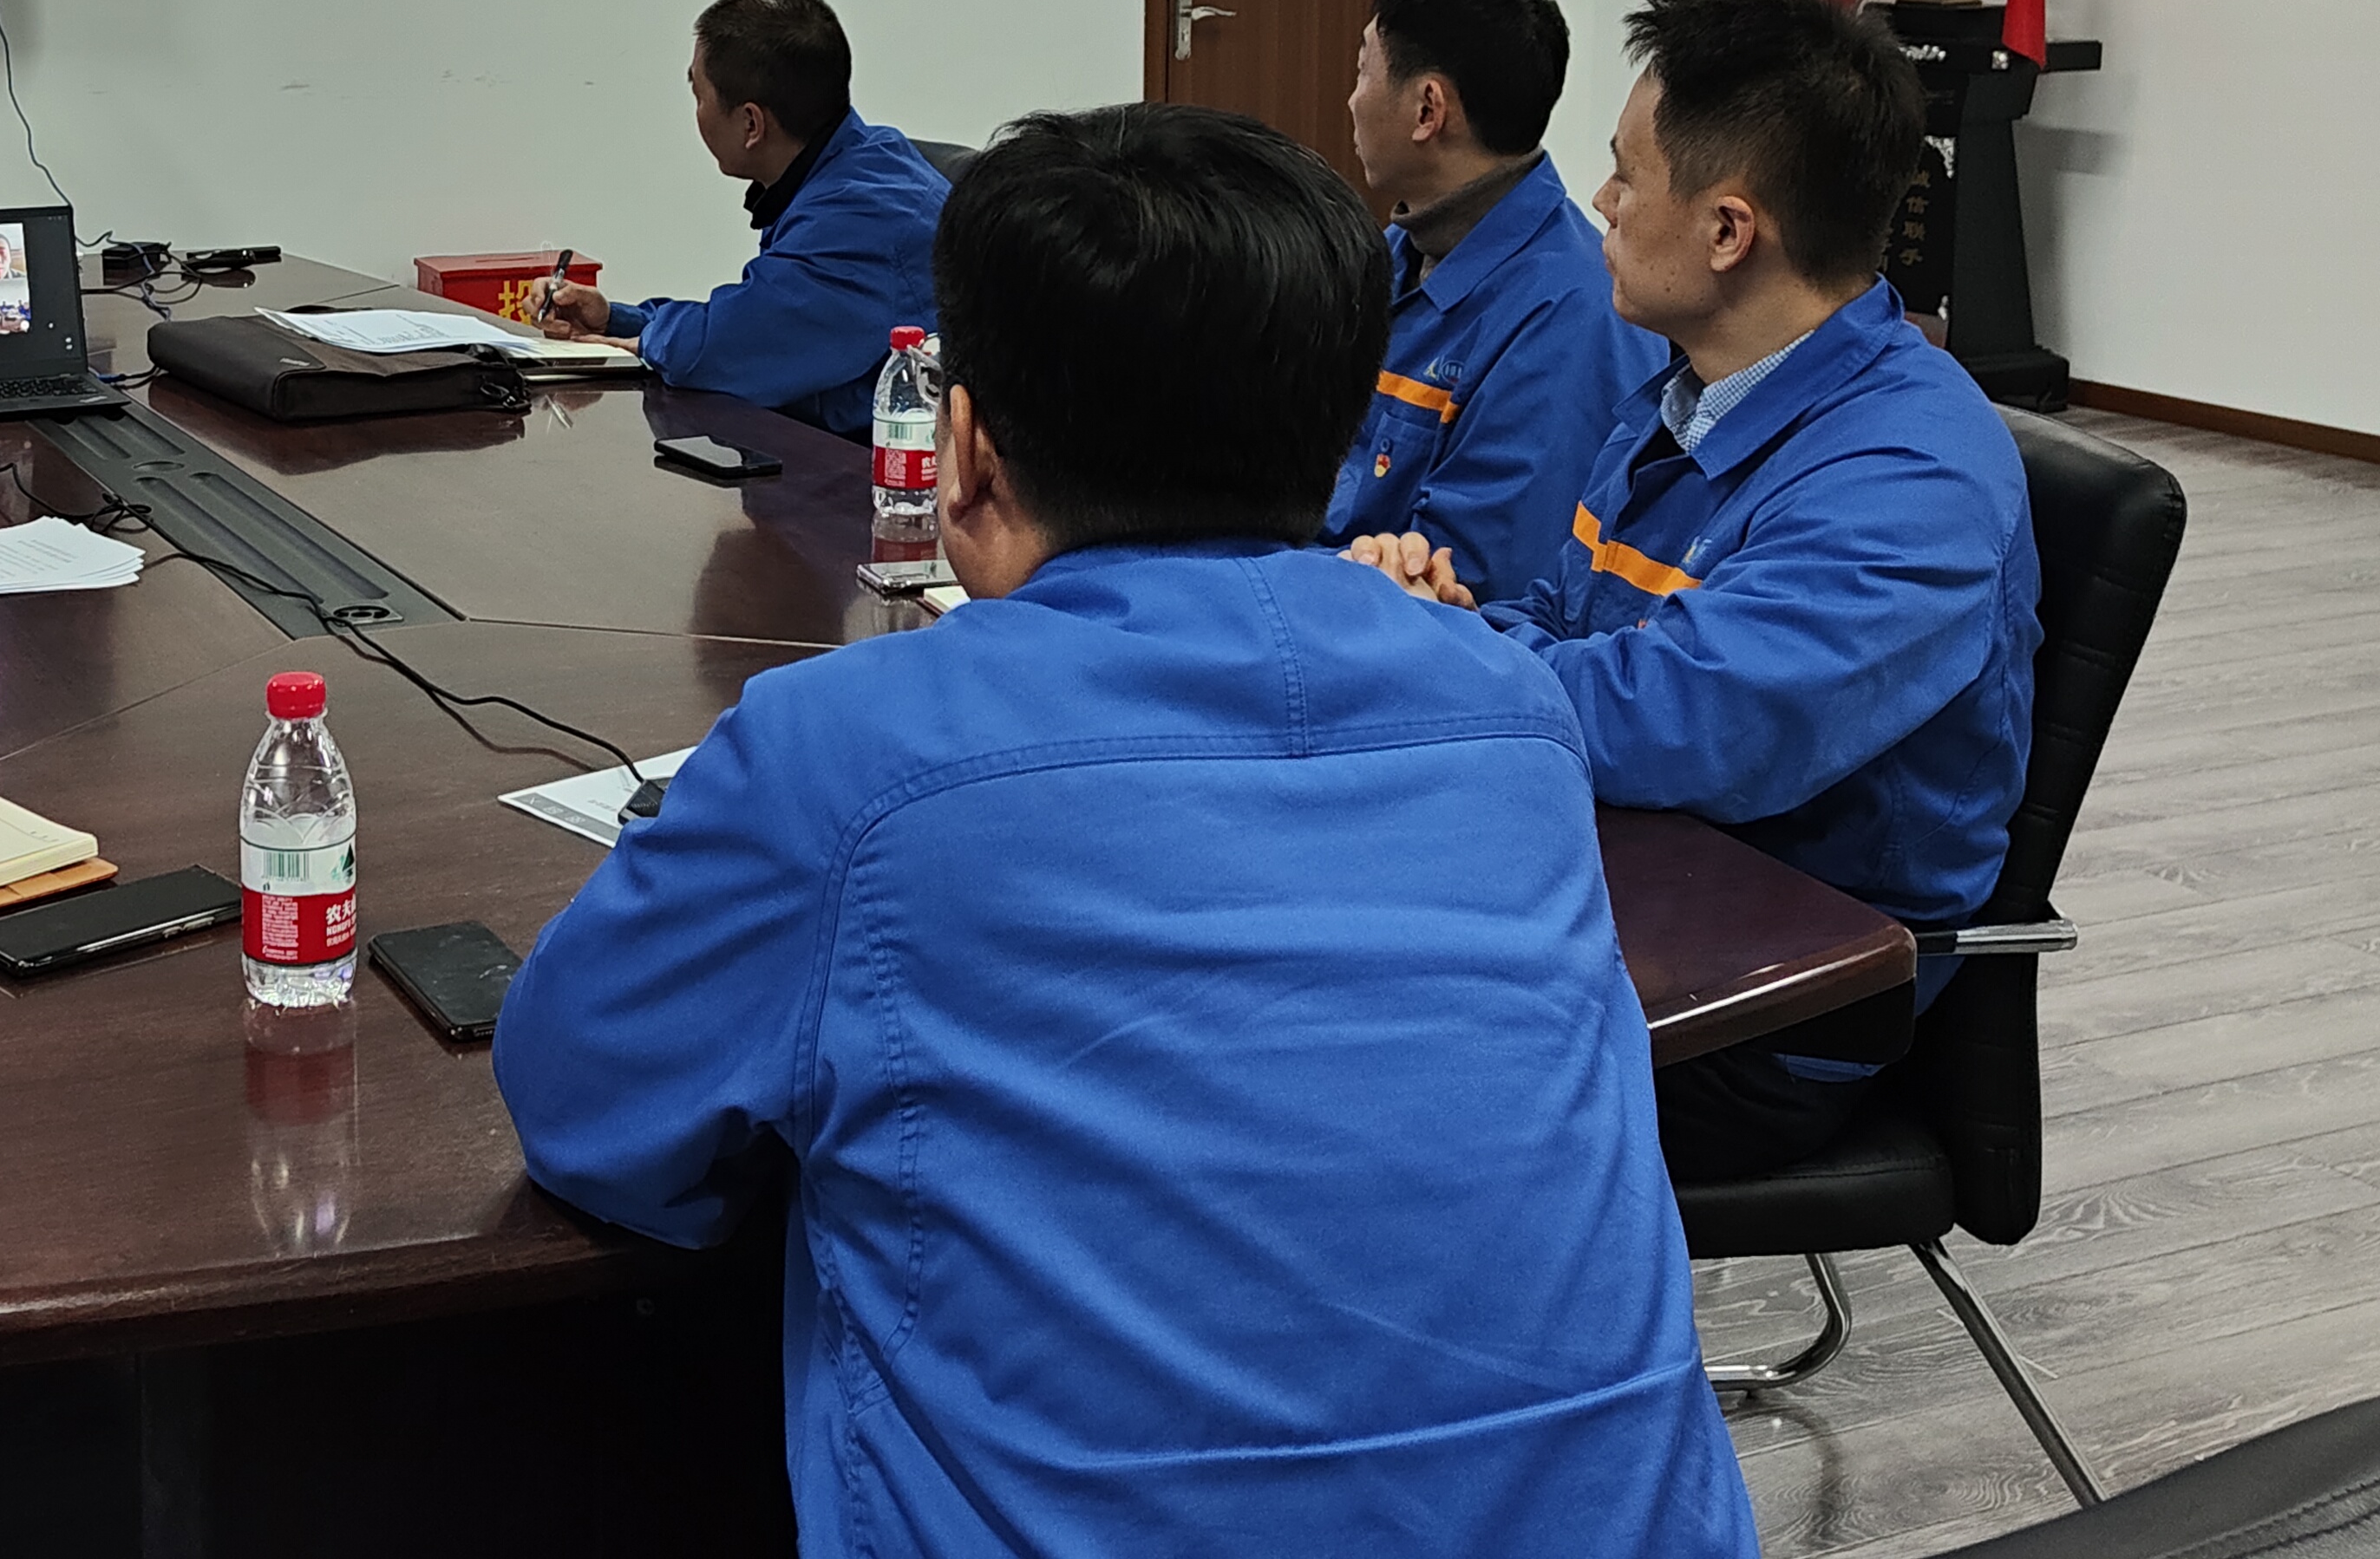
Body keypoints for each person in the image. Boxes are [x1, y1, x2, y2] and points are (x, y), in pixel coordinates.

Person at [495, 105, 1754, 1558]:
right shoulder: (1511, 710)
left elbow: (587, 1111)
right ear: (1342, 435)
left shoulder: (842, 754)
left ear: (963, 448)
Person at [1350, 0, 2039, 1184]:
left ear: (1728, 231)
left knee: (1328, 1067)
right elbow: (1563, 614)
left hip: (1776, 997)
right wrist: (1457, 616)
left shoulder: (1910, 476)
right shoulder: (1684, 391)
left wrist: (1441, 649)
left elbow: (1684, 723)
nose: (1602, 203)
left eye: (1627, 176)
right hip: (1619, 884)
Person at [1328, 0, 1660, 600]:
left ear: (1427, 109)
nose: (1352, 99)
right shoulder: (1401, 250)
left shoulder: (1570, 317)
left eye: (1364, 71)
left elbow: (1475, 584)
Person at [537, 0, 949, 434]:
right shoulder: (862, 158)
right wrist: (615, 320)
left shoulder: (861, 217)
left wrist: (646, 335)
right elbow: (753, 317)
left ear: (751, 124)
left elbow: (722, 349)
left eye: (699, 95)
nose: (697, 112)